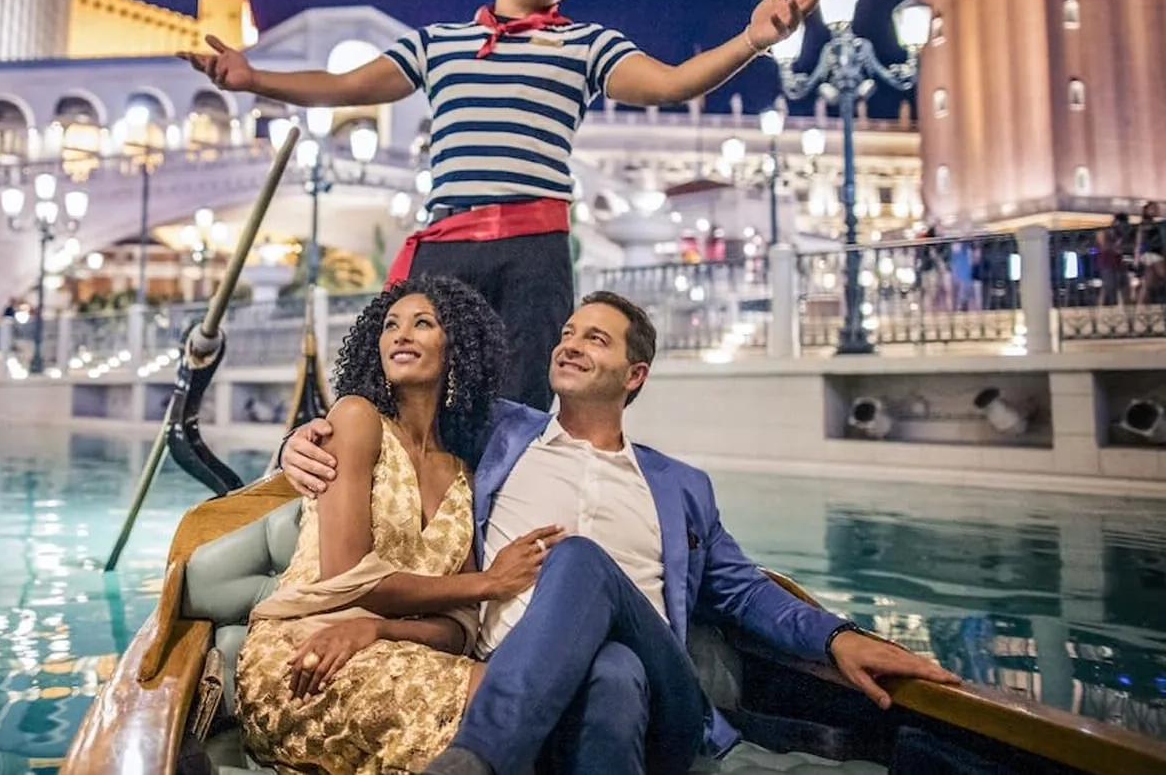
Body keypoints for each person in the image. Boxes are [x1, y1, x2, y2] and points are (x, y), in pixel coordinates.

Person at [181, 0, 834, 413]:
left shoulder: (588, 44)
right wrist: (253, 78)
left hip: (534, 252)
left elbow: (671, 84)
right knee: (416, 397)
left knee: (520, 405)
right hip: (447, 247)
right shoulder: (438, 43)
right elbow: (345, 87)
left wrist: (753, 40)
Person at [280, 292, 961, 774]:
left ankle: (476, 760)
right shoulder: (497, 436)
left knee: (579, 561)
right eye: (567, 333)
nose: (570, 345)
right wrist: (302, 443)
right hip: (525, 679)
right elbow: (400, 421)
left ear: (634, 376)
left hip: (666, 701)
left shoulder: (679, 486)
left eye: (595, 339)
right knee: (610, 671)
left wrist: (838, 636)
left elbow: (746, 591)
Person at [236, 275, 567, 774]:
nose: (401, 335)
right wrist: (489, 582)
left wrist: (376, 629)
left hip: (386, 649)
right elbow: (347, 576)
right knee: (503, 699)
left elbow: (459, 627)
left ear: (457, 349)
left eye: (423, 323)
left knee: (517, 699)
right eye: (390, 325)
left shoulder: (464, 476)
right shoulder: (356, 419)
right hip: (302, 656)